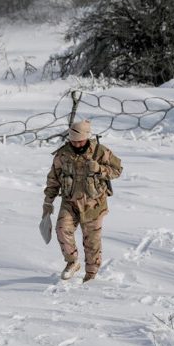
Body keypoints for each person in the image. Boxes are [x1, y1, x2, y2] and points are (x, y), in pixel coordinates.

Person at [42, 119, 123, 281]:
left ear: (87, 137)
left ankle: (91, 275)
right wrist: (48, 201)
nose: (77, 145)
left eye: (80, 141)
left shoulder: (100, 151)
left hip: (94, 204)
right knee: (61, 230)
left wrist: (100, 169)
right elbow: (54, 179)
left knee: (91, 241)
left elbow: (117, 170)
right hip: (69, 202)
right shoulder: (63, 154)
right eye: (73, 141)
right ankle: (72, 262)